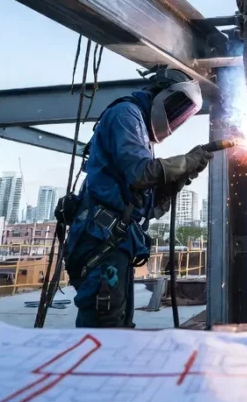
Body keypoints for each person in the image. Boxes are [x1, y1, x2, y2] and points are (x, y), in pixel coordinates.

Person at [63, 67, 212, 328]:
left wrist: (181, 178)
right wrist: (186, 161)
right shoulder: (126, 114)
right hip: (100, 240)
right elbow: (141, 174)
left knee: (119, 323)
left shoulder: (140, 128)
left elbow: (149, 206)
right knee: (105, 326)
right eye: (176, 107)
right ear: (160, 93)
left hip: (115, 243)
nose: (175, 118)